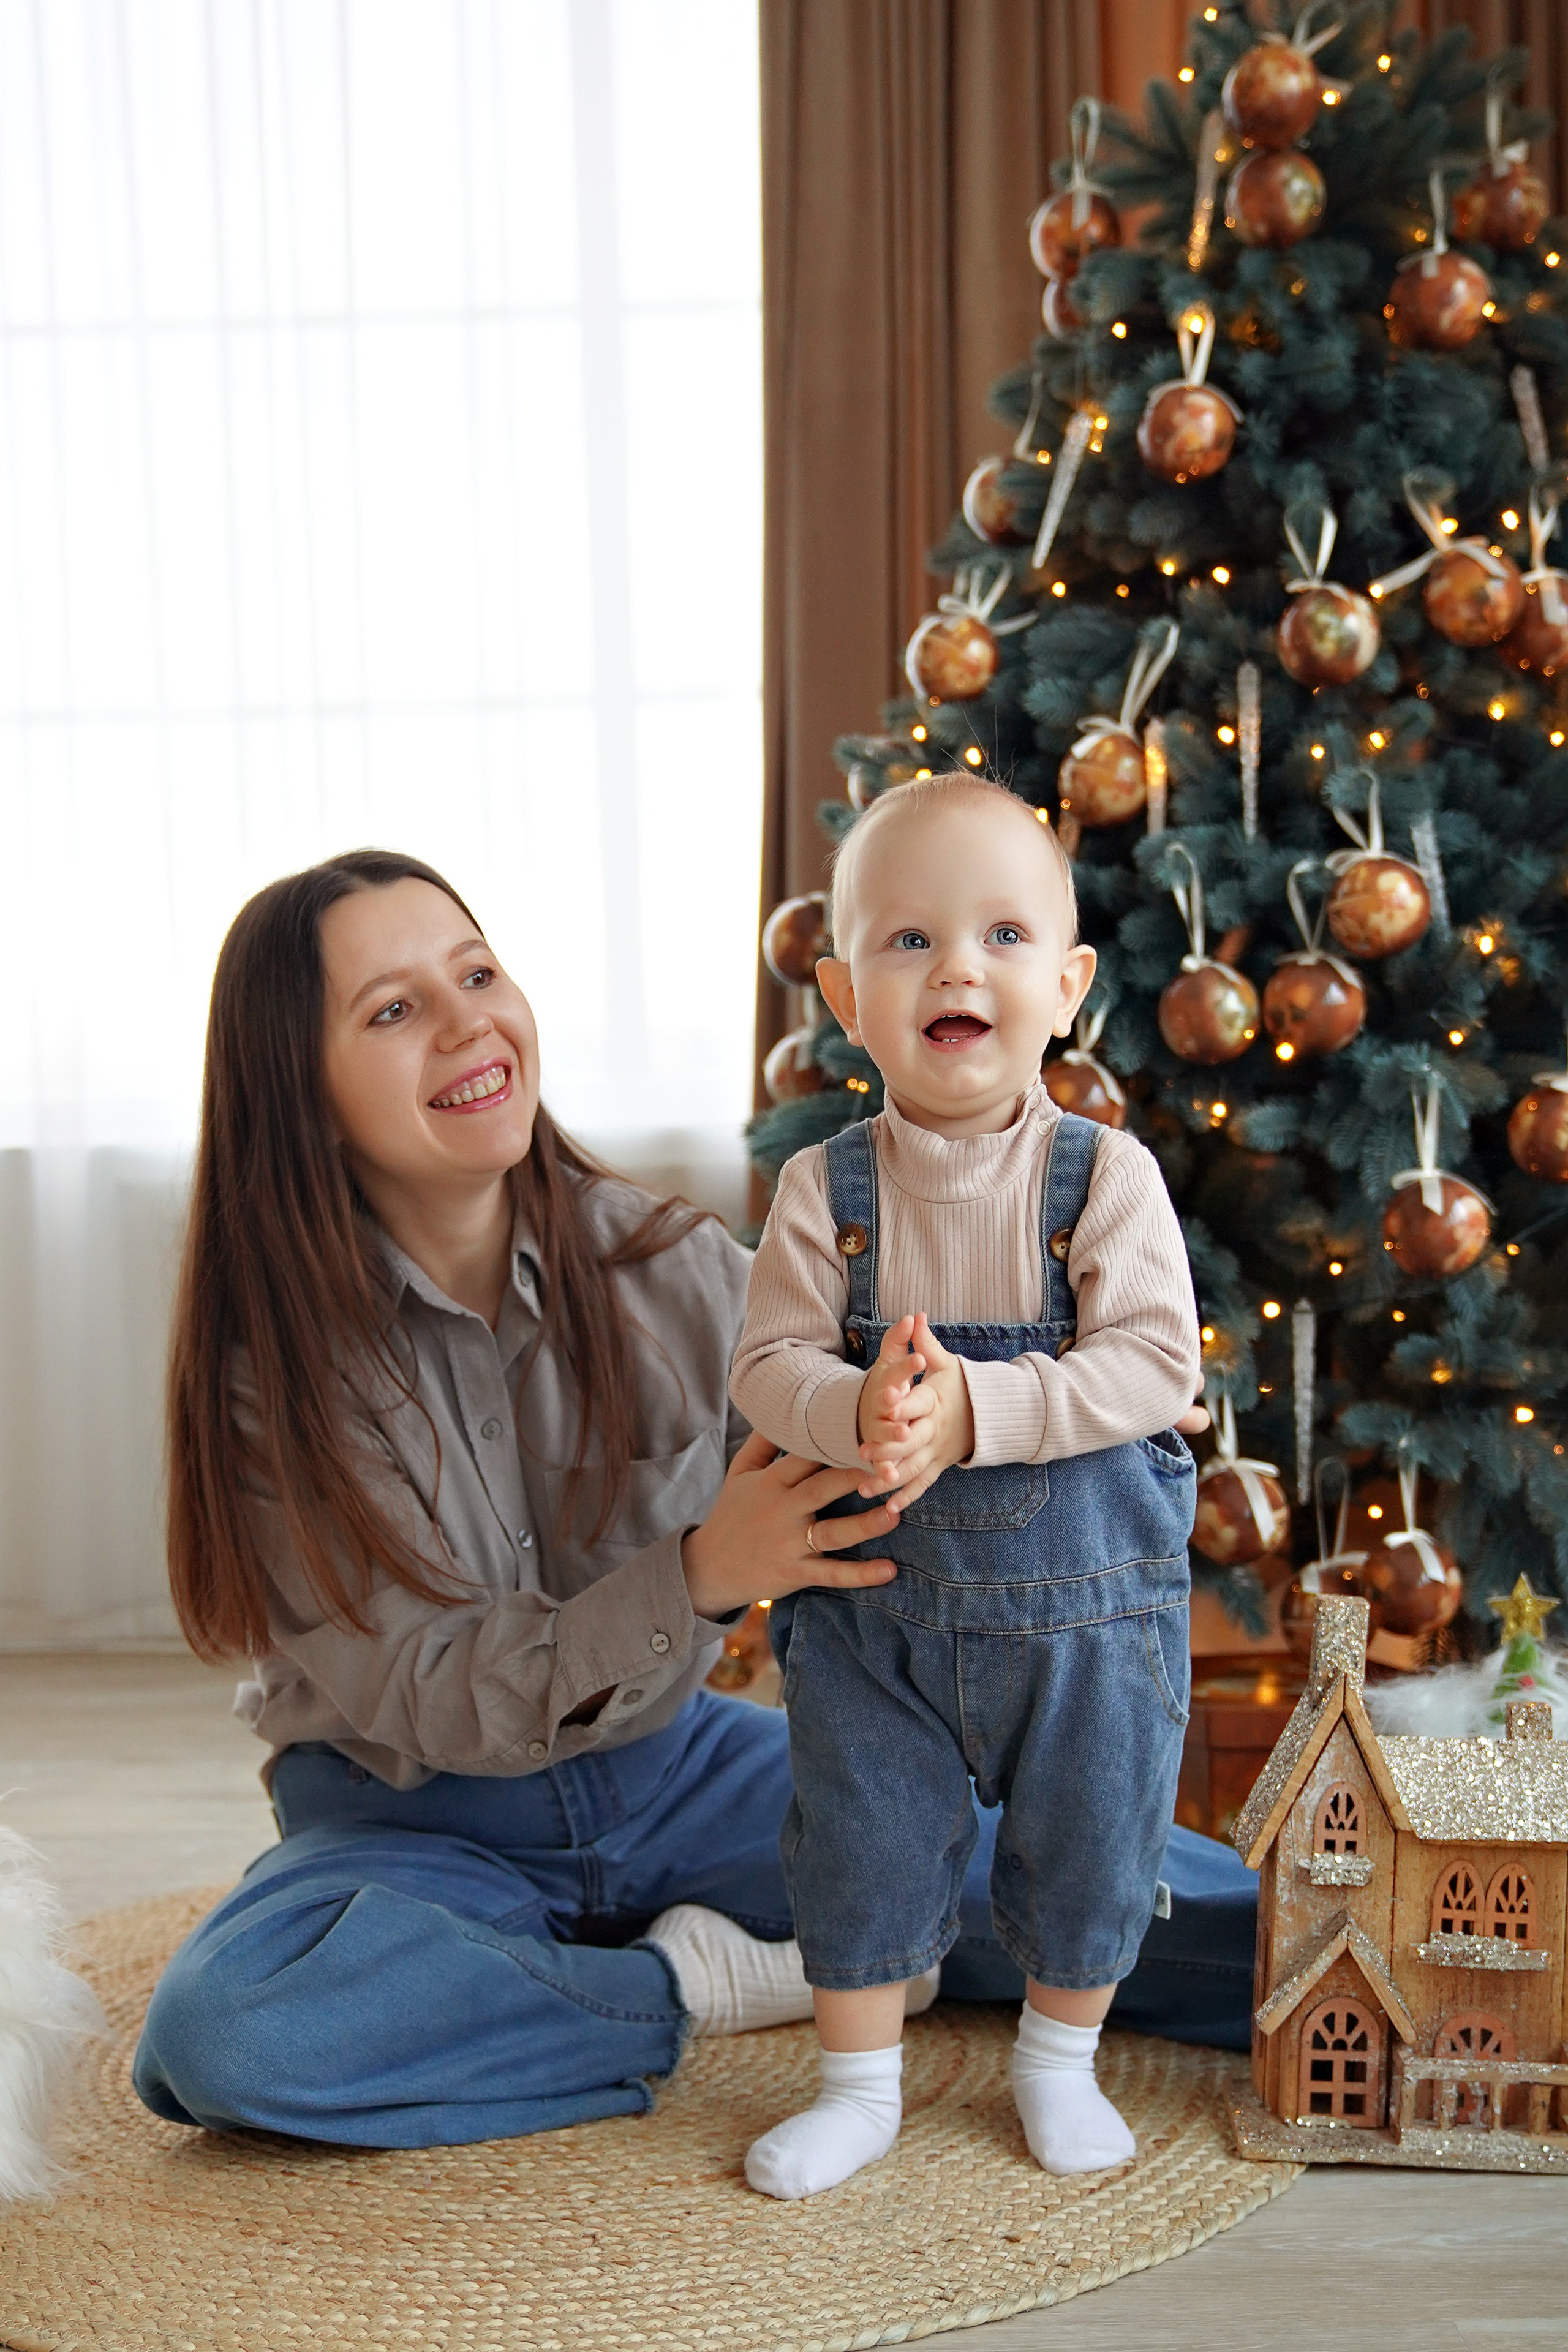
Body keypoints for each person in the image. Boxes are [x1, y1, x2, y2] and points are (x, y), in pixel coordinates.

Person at [132, 846, 1257, 2154]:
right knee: (235, 2036)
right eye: (392, 1011)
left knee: (1161, 1898)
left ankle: (848, 1943)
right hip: (412, 1819)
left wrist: (1065, 1409)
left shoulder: (661, 1264)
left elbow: (873, 1408)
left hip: (676, 1774)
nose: (468, 1025)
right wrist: (702, 1574)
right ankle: (690, 1985)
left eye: (476, 972)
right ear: (301, 1093)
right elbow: (434, 1691)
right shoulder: (269, 1379)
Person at [731, 773, 1202, 2200]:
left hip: (1086, 1620)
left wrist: (979, 1412)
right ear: (842, 994)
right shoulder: (827, 1191)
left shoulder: (1099, 1179)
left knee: (1093, 1835)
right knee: (857, 1835)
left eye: (1002, 937)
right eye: (908, 940)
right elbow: (763, 1365)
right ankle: (858, 2085)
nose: (956, 968)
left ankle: (1056, 2066)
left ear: (1064, 988)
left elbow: (1152, 1366)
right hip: (879, 1615)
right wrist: (852, 1402)